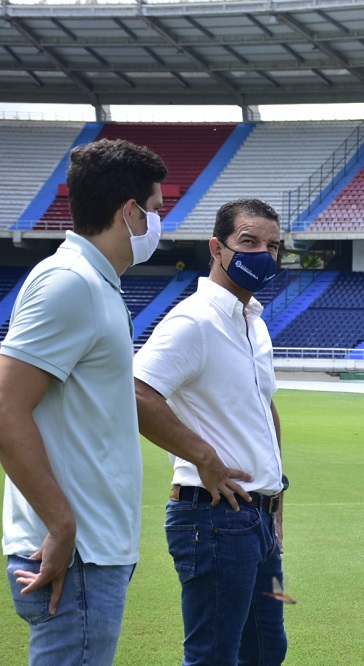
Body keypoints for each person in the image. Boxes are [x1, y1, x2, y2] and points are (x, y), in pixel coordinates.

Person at [0, 138, 167, 664]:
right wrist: (62, 525)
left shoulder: (95, 282)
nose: (158, 224)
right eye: (156, 210)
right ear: (129, 211)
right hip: (77, 553)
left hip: (93, 547)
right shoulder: (70, 283)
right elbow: (5, 408)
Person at [133, 197, 288, 665]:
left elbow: (265, 406)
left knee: (266, 649)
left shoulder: (253, 322)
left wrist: (277, 496)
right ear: (217, 248)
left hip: (257, 521)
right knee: (213, 656)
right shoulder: (193, 320)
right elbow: (137, 393)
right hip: (214, 520)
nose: (264, 253)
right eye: (249, 241)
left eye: (273, 245)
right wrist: (205, 457)